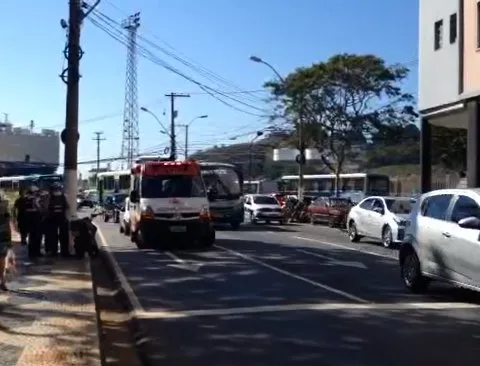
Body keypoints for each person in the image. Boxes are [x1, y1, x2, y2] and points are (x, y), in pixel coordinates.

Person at [45, 182, 69, 257]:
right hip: (54, 219)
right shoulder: (51, 197)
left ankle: (60, 252)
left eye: (58, 189)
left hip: (59, 219)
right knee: (54, 236)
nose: (57, 191)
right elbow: (68, 206)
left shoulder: (62, 197)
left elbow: (67, 206)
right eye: (55, 189)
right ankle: (57, 252)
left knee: (62, 236)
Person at [24, 185, 43, 259]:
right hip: (35, 219)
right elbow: (40, 209)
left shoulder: (26, 199)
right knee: (37, 236)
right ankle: (36, 252)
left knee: (31, 236)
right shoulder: (35, 199)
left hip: (29, 219)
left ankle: (31, 253)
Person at [0, 195, 13, 291]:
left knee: (2, 262)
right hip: (3, 240)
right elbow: (8, 229)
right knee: (2, 262)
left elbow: (8, 229)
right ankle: (3, 282)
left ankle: (3, 282)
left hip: (3, 240)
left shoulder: (6, 217)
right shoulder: (6, 217)